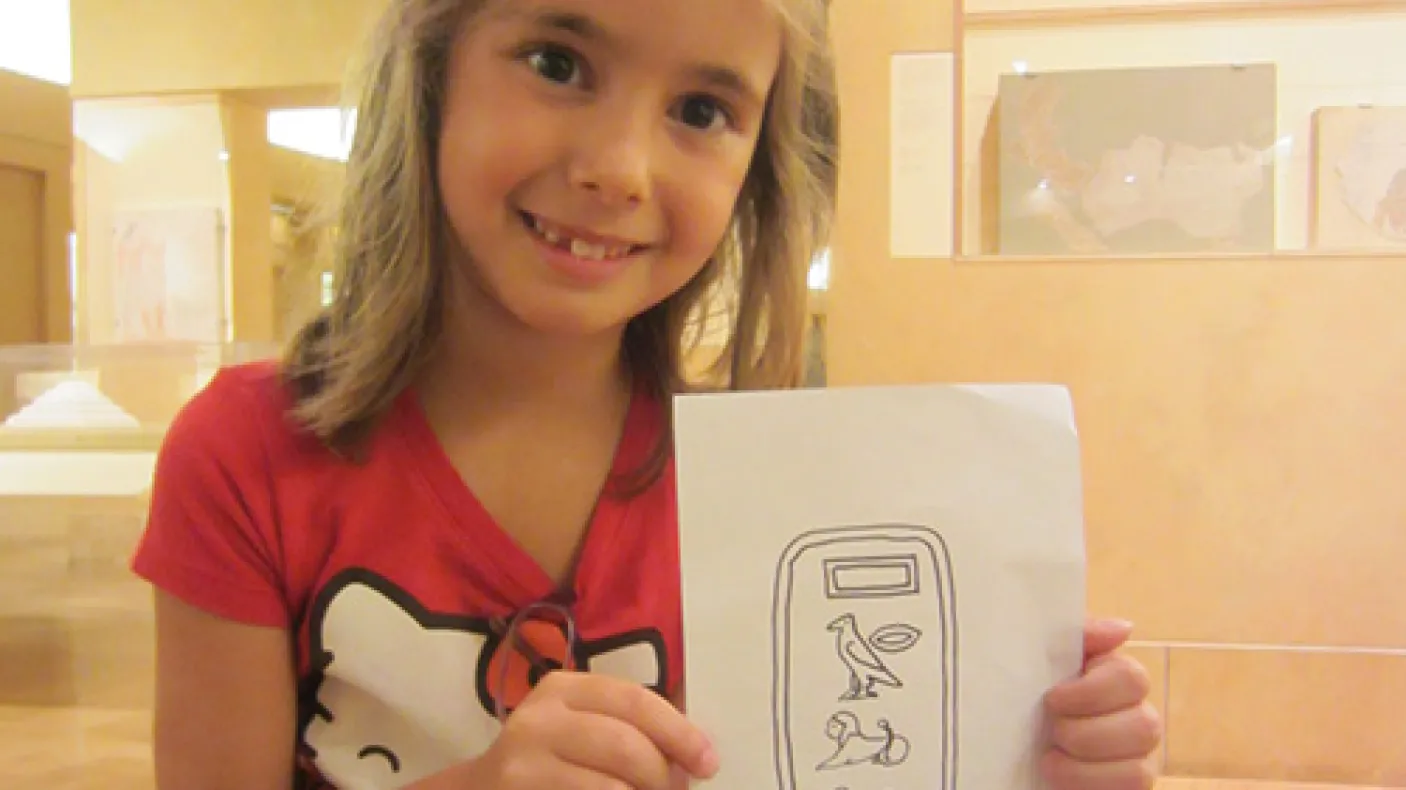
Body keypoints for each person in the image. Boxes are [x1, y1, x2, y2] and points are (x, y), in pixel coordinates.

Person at [130, 0, 1163, 788]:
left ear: (755, 169)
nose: (619, 168)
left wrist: (1021, 757)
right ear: (432, 69)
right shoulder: (248, 453)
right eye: (556, 64)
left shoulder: (782, 494)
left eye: (701, 111)